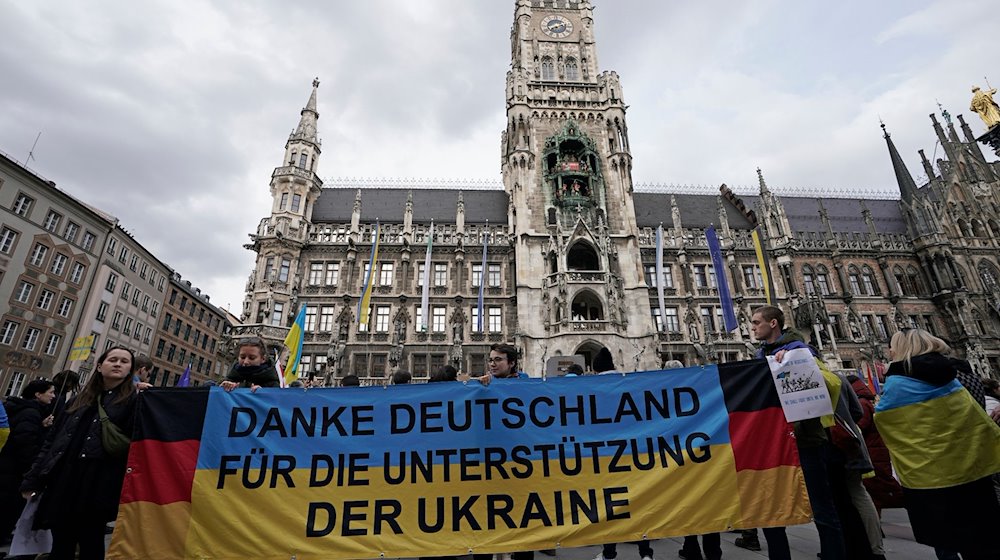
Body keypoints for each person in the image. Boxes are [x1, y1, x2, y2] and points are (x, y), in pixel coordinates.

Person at [874, 329, 1000, 559]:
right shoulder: (956, 376)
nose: (889, 350)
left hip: (931, 474)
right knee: (983, 540)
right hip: (972, 467)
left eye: (892, 346)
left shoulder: (899, 382)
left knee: (946, 540)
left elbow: (883, 419)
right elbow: (976, 416)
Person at [742, 305, 848, 560]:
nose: (752, 327)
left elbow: (830, 384)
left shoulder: (799, 351)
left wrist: (792, 365)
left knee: (822, 508)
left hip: (806, 439)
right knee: (770, 508)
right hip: (773, 440)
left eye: (757, 322)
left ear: (774, 324)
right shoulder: (759, 354)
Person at [21, 347, 139, 560]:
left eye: (124, 361)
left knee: (91, 541)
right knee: (60, 542)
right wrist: (33, 480)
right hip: (64, 479)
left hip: (98, 483)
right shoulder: (77, 400)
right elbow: (52, 443)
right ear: (100, 365)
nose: (118, 364)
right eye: (112, 359)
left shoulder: (134, 402)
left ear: (130, 370)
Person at [593, 350, 655, 560]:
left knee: (609, 505)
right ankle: (646, 553)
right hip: (631, 454)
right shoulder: (629, 384)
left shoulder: (590, 388)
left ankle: (609, 553)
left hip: (604, 456)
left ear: (595, 368)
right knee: (637, 505)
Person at [0, 379, 56, 544]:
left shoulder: (22, 408)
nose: (53, 396)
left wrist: (41, 426)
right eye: (51, 392)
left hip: (7, 466)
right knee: (7, 508)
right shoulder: (31, 412)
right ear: (38, 394)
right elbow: (25, 441)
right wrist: (33, 468)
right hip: (14, 471)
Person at [847, 375, 903, 514]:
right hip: (874, 449)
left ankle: (909, 501)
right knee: (874, 487)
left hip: (872, 451)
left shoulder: (861, 403)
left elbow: (860, 426)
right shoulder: (864, 401)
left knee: (881, 484)